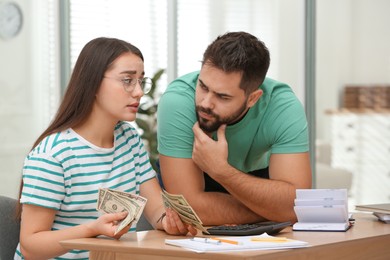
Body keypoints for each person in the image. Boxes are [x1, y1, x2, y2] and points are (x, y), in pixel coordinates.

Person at [15, 37, 197, 260]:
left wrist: (168, 221)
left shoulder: (129, 140)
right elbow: (30, 246)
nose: (139, 92)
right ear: (92, 83)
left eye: (141, 81)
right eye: (127, 80)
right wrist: (92, 230)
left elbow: (157, 210)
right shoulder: (53, 155)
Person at [157, 31, 312, 226]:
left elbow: (296, 205)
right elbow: (190, 208)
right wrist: (275, 212)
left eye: (222, 97)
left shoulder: (282, 106)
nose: (205, 103)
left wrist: (221, 170)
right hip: (194, 177)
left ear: (253, 98)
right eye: (203, 86)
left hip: (255, 177)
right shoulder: (177, 101)